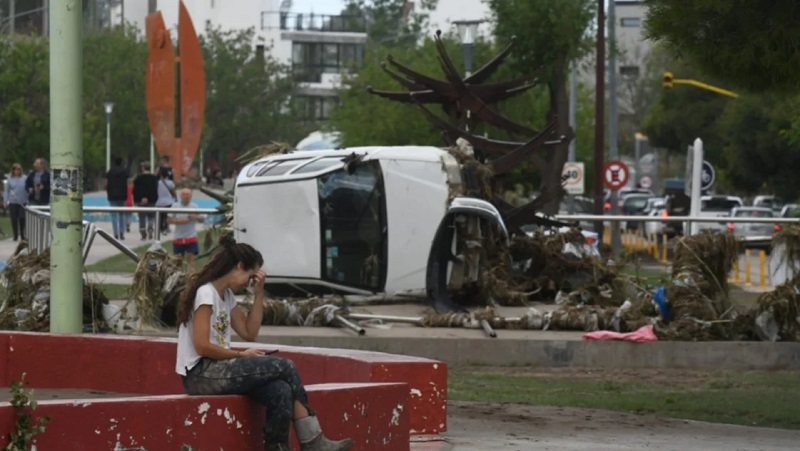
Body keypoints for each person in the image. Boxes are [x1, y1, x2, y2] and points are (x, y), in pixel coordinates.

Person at [175, 237, 354, 451]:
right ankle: (313, 441)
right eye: (251, 277)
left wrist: (259, 294)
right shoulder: (206, 293)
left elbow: (250, 332)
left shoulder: (227, 296)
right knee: (284, 366)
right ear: (239, 266)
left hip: (218, 369)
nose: (249, 283)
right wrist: (241, 356)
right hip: (200, 374)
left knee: (281, 391)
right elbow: (201, 346)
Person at [168, 188, 204, 274]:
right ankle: (178, 279)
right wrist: (183, 220)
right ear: (180, 195)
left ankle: (191, 279)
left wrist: (194, 217)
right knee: (177, 261)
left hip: (191, 237)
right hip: (178, 237)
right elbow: (169, 220)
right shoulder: (175, 206)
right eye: (184, 194)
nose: (185, 196)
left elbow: (202, 219)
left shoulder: (194, 206)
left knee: (191, 260)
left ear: (191, 196)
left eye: (187, 194)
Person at [105, 157, 130, 240]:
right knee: (122, 214)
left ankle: (115, 233)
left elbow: (107, 182)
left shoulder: (110, 172)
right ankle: (121, 232)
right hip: (122, 195)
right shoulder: (124, 171)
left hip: (112, 195)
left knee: (114, 215)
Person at [133, 162, 159, 240]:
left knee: (142, 217)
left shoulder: (138, 178)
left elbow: (136, 190)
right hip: (151, 200)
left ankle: (143, 231)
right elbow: (154, 189)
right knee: (151, 216)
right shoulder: (153, 178)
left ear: (143, 168)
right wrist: (150, 198)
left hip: (140, 200)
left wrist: (139, 198)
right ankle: (150, 229)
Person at [3, 163, 28, 241]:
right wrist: (5, 201)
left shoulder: (25, 178)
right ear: (13, 170)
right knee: (14, 219)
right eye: (15, 169)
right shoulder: (10, 179)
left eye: (18, 169)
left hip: (23, 201)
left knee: (22, 218)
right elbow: (6, 191)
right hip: (13, 201)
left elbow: (28, 189)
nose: (17, 171)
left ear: (20, 170)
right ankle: (15, 235)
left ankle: (22, 234)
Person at [156, 169, 176, 235]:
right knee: (167, 216)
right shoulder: (170, 182)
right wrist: (175, 197)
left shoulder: (158, 182)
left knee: (160, 216)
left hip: (159, 201)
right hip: (168, 201)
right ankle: (166, 227)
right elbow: (173, 191)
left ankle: (160, 228)